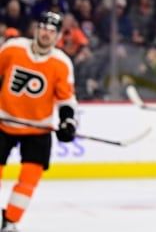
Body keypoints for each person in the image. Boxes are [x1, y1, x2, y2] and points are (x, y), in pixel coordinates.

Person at [0, 12, 77, 232]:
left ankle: (11, 221)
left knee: (29, 179)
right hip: (3, 122)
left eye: (52, 31)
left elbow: (66, 99)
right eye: (43, 28)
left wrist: (68, 122)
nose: (46, 34)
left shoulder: (61, 63)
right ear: (36, 29)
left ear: (58, 36)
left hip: (38, 128)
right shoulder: (12, 48)